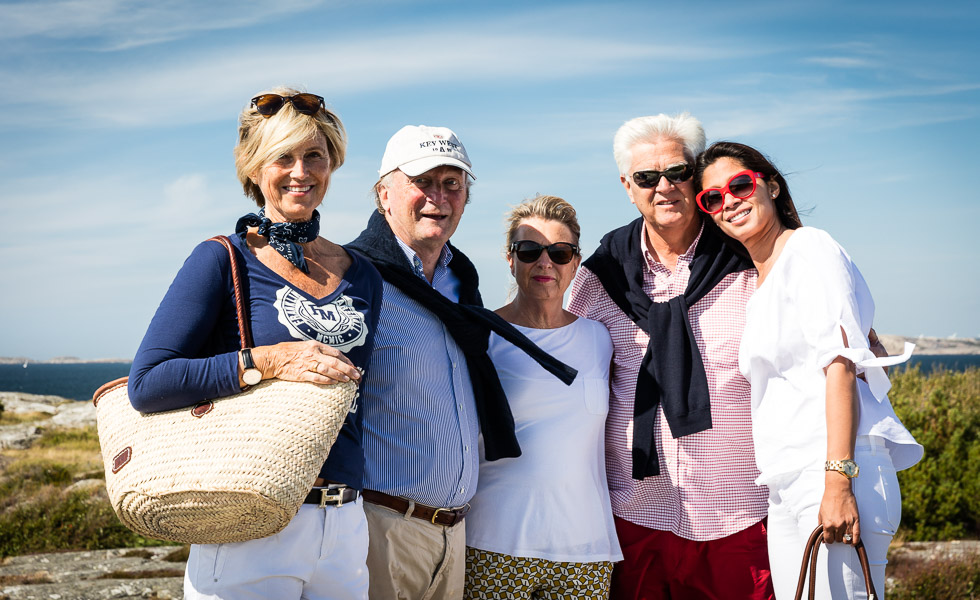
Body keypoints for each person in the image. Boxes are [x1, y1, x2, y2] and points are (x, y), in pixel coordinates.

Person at [128, 87, 382, 599]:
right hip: (251, 520)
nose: (301, 172)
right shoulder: (222, 259)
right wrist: (268, 361)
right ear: (253, 169)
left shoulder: (364, 275)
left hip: (345, 522)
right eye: (282, 157)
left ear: (332, 164)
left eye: (315, 155)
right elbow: (148, 383)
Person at [346, 126, 575, 600]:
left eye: (452, 183)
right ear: (383, 193)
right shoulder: (355, 279)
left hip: (455, 536)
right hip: (379, 529)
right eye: (423, 182)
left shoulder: (460, 282)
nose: (439, 197)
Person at [693, 141, 922, 598]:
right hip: (787, 482)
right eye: (713, 198)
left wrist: (837, 481)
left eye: (740, 185)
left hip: (834, 470)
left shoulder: (810, 248)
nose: (729, 201)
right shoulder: (757, 282)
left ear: (772, 186)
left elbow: (838, 365)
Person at [567, 113, 775, 600]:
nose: (664, 186)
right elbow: (563, 357)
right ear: (627, 186)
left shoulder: (748, 261)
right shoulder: (603, 274)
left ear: (696, 174)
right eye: (646, 177)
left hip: (738, 512)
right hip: (637, 513)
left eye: (678, 172)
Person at [464, 196, 623, 599]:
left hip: (585, 550)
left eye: (560, 251)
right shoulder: (480, 335)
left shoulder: (600, 338)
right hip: (493, 542)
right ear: (510, 258)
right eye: (530, 250)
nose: (545, 262)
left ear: (575, 260)